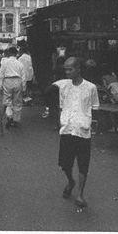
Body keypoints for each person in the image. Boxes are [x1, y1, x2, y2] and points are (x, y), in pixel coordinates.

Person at [50, 56, 99, 211]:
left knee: (83, 164)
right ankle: (71, 181)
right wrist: (60, 122)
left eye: (70, 69)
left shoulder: (91, 88)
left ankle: (80, 194)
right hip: (67, 129)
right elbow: (60, 106)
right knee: (65, 164)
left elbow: (95, 108)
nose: (67, 72)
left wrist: (91, 126)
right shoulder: (64, 86)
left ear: (78, 69)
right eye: (65, 70)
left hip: (83, 131)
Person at [0, 46, 26, 128]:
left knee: (7, 100)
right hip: (18, 81)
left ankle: (9, 116)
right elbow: (23, 77)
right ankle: (16, 120)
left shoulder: (5, 62)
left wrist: (0, 87)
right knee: (17, 101)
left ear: (9, 53)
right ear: (16, 53)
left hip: (8, 81)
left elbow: (1, 75)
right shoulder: (19, 63)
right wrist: (24, 87)